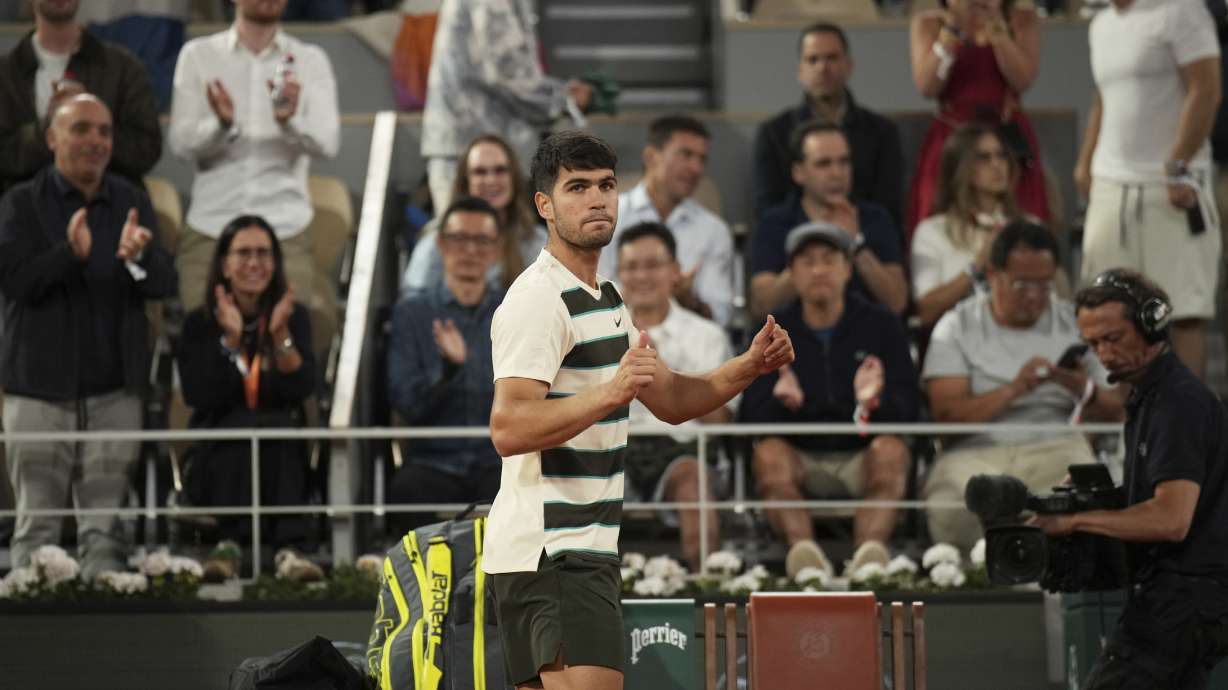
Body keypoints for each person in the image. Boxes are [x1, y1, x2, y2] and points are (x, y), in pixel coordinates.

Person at [485, 130, 793, 690]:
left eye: (605, 185)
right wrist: (608, 392)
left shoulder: (605, 296)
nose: (597, 198)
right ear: (545, 206)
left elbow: (672, 400)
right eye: (577, 187)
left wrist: (748, 365)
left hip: (571, 550)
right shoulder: (537, 300)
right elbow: (508, 428)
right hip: (551, 549)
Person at [0, 94, 175, 579]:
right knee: (36, 529)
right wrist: (68, 255)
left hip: (114, 389)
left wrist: (138, 258)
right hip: (37, 388)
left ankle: (108, 645)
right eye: (81, 129)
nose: (95, 140)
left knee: (105, 534)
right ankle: (28, 647)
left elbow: (166, 282)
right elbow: (14, 280)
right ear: (52, 137)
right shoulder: (19, 203)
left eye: (104, 131)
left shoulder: (132, 201)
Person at [1032, 269, 1228, 690]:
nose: (1103, 354)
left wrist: (1075, 522)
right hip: (1190, 599)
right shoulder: (1151, 399)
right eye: (1093, 344)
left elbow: (1170, 520)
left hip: (1183, 599)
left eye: (1113, 338)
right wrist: (1091, 500)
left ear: (1152, 324)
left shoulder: (1177, 403)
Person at [922, 222, 1124, 550]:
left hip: (1055, 443)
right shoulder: (956, 325)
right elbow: (946, 416)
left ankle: (1054, 579)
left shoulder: (1075, 324)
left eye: (1044, 285)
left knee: (1086, 496)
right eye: (1021, 285)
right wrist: (1014, 389)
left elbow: (1115, 409)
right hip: (975, 450)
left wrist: (1079, 388)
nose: (1034, 297)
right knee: (951, 509)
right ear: (992, 275)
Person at [742, 221, 917, 579]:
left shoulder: (883, 325)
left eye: (829, 259)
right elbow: (748, 419)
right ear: (791, 273)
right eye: (807, 261)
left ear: (847, 268)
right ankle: (806, 560)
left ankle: (868, 562)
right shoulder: (770, 331)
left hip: (862, 453)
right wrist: (782, 404)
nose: (819, 269)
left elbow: (912, 408)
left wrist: (874, 403)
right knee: (769, 454)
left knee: (892, 451)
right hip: (799, 457)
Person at [1077, 0, 1222, 380]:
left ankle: (1183, 428)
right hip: (1112, 186)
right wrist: (1086, 160)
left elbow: (1206, 88)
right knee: (1107, 312)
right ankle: (1125, 428)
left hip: (1170, 186)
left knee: (1182, 311)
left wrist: (1178, 164)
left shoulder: (1181, 11)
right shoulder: (1102, 24)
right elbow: (1102, 99)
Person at [176, 214, 322, 583]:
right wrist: (230, 342)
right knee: (241, 427)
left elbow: (302, 387)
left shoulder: (294, 318)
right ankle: (228, 545)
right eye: (243, 254)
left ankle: (290, 551)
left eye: (263, 253)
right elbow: (201, 394)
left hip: (281, 455)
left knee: (275, 426)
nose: (254, 263)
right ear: (224, 265)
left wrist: (280, 337)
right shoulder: (199, 324)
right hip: (217, 457)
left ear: (275, 263)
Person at [168, 0, 340, 311]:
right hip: (212, 224)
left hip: (286, 227)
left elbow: (328, 144)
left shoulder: (310, 60)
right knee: (200, 340)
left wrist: (289, 122)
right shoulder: (197, 56)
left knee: (288, 342)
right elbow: (180, 145)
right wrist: (221, 126)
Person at [615, 222, 733, 571]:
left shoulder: (706, 336)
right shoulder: (594, 334)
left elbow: (722, 422)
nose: (642, 276)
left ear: (674, 271)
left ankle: (707, 588)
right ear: (618, 274)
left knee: (692, 480)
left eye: (652, 265)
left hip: (681, 446)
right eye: (631, 267)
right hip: (614, 442)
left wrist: (670, 378)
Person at [387, 197, 505, 535]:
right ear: (441, 246)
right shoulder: (412, 314)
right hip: (433, 461)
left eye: (481, 241)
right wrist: (449, 371)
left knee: (538, 489)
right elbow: (407, 405)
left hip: (497, 460)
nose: (470, 250)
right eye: (458, 239)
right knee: (407, 491)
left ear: (496, 249)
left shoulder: (513, 309)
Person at [421, 0, 593, 214]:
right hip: (471, 150)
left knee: (494, 240)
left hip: (473, 145)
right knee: (464, 239)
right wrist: (563, 98)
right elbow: (505, 69)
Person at [908, 0, 1049, 234]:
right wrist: (952, 31)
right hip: (952, 138)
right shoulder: (929, 23)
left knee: (1022, 227)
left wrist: (996, 27)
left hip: (1005, 139)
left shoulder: (1022, 18)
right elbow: (927, 87)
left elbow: (1022, 80)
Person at [0, 0, 162, 194]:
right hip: (22, 215)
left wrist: (90, 125)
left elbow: (146, 150)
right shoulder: (6, 74)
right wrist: (50, 127)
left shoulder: (124, 68)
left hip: (106, 212)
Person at [751, 121, 907, 319]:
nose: (837, 173)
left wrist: (856, 244)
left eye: (844, 162)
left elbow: (897, 302)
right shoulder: (774, 223)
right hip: (793, 339)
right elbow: (762, 305)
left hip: (865, 335)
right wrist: (809, 254)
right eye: (823, 164)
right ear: (798, 172)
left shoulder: (875, 218)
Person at [752, 21, 904, 225]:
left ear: (849, 66)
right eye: (813, 59)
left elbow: (889, 209)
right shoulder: (773, 134)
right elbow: (767, 211)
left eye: (832, 58)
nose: (823, 68)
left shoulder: (883, 133)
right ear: (800, 71)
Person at [597, 114, 735, 325]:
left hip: (689, 348)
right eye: (686, 155)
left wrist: (688, 301)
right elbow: (592, 297)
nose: (696, 168)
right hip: (614, 340)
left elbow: (720, 318)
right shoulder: (608, 216)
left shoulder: (713, 231)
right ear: (651, 156)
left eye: (702, 159)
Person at [912, 123, 1036, 327]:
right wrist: (977, 265)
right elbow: (926, 310)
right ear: (961, 167)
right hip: (959, 341)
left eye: (1002, 155)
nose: (997, 164)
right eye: (984, 158)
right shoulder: (933, 231)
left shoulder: (1030, 227)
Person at [401, 133, 547, 295]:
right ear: (465, 182)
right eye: (480, 172)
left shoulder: (536, 240)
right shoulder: (436, 240)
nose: (491, 180)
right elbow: (411, 302)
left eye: (500, 170)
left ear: (514, 179)